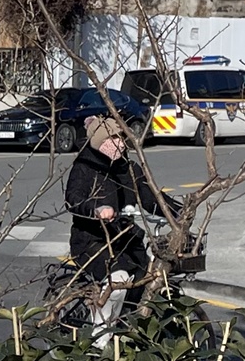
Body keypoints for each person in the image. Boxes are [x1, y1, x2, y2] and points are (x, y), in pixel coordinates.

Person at [64, 114, 170, 340]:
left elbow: (151, 199)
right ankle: (100, 342)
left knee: (145, 278)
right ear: (100, 142)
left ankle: (127, 330)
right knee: (119, 280)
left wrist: (179, 212)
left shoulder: (129, 168)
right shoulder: (85, 167)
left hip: (125, 239)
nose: (121, 144)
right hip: (92, 242)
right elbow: (73, 199)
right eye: (114, 139)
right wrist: (96, 209)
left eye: (122, 138)